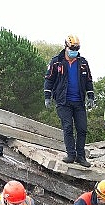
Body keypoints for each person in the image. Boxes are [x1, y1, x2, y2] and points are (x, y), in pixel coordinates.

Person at [44, 34, 95, 168]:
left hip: (79, 101)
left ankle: (81, 156)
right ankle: (71, 154)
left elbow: (89, 80)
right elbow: (49, 79)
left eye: (77, 48)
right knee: (67, 127)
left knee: (82, 129)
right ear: (66, 46)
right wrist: (47, 97)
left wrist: (90, 96)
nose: (74, 50)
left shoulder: (83, 63)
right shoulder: (56, 61)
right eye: (72, 48)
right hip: (63, 101)